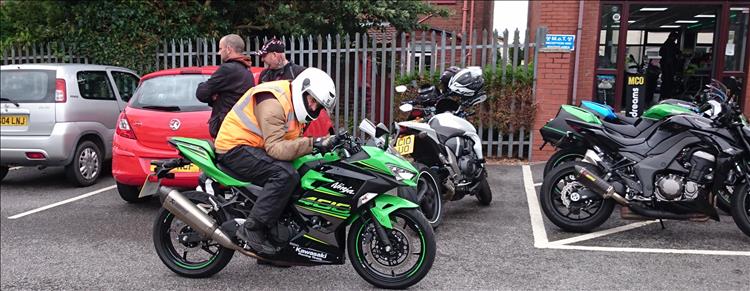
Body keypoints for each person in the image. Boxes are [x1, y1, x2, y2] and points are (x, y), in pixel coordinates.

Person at [213, 68, 338, 256]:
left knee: (303, 171)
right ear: (303, 90)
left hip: (256, 148)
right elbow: (276, 148)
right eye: (313, 101)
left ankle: (275, 237)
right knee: (284, 174)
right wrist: (315, 144)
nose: (313, 108)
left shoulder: (295, 105)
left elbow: (289, 142)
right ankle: (252, 227)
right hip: (234, 148)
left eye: (318, 106)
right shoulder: (274, 102)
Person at [256, 38, 333, 136]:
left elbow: (311, 108)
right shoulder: (264, 75)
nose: (262, 59)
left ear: (275, 55)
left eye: (264, 56)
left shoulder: (300, 73)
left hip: (293, 130)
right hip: (267, 125)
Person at [196, 34, 256, 138]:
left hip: (226, 128)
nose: (219, 53)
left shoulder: (228, 69)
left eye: (220, 49)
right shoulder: (247, 70)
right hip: (239, 126)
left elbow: (202, 93)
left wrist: (213, 95)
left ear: (228, 49)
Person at [659, 31, 681, 100]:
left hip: (665, 65)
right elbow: (673, 54)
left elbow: (661, 53)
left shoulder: (666, 44)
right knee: (668, 81)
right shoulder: (671, 44)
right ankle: (667, 95)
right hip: (668, 66)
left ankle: (664, 95)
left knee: (665, 80)